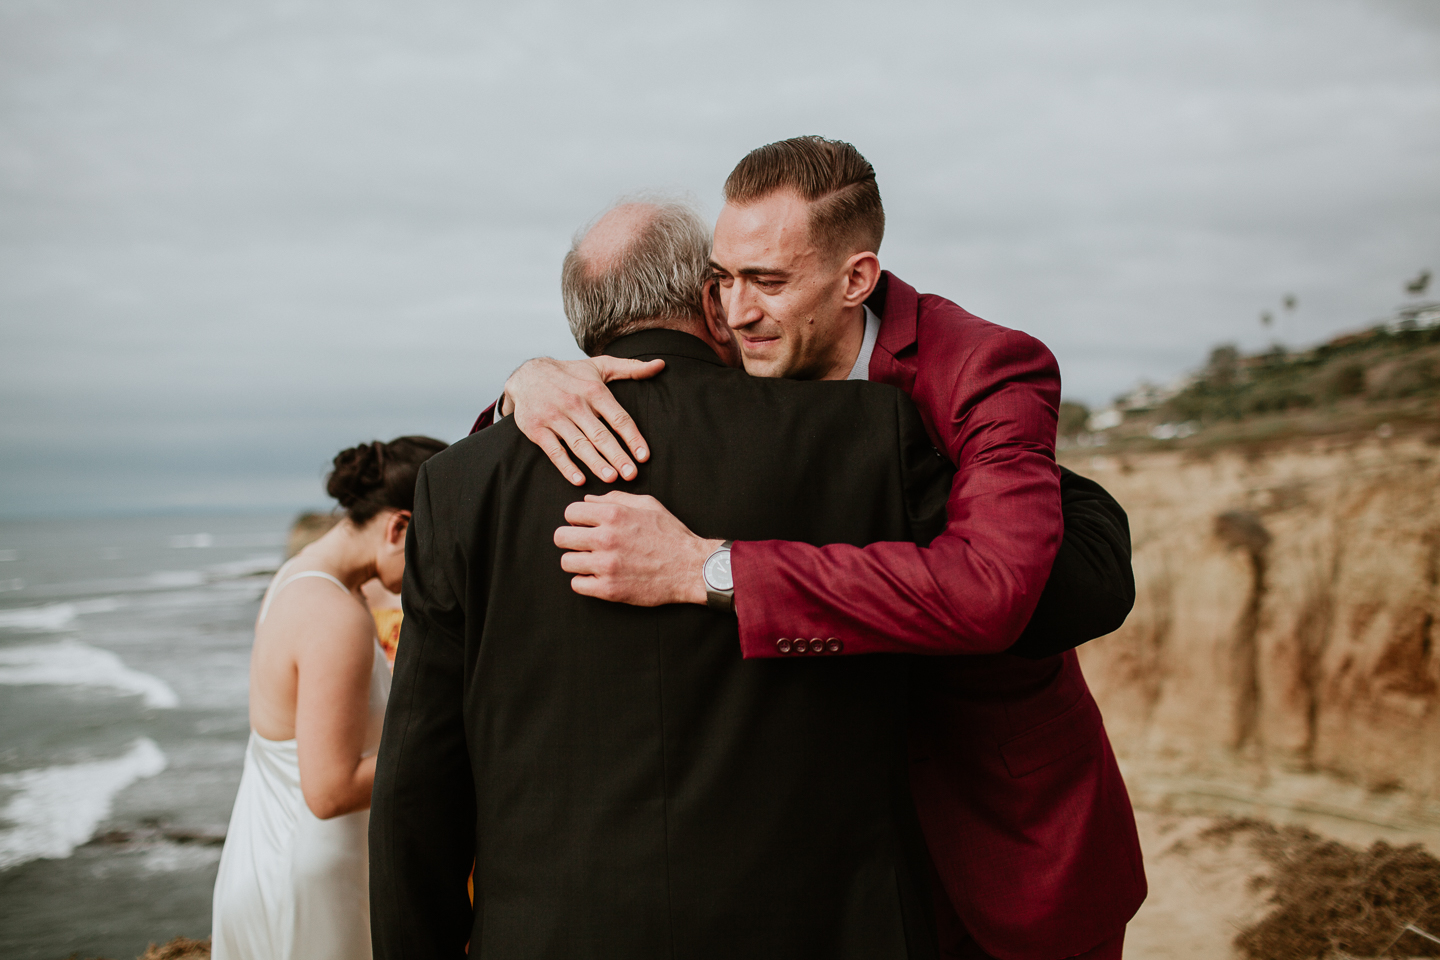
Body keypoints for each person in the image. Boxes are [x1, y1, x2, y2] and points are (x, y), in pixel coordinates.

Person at [487, 138, 1144, 959]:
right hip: (839, 859)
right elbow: (624, 411)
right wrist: (526, 382)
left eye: (767, 281)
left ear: (856, 280)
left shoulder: (981, 366)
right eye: (722, 280)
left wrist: (707, 568)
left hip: (1001, 828)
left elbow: (990, 589)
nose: (734, 311)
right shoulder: (753, 347)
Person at [369, 199, 959, 959]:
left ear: (585, 330)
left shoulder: (463, 485)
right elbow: (1041, 587)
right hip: (827, 931)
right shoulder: (862, 432)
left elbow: (418, 782)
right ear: (714, 302)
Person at [211, 435, 447, 960]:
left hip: (268, 855)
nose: (435, 567)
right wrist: (455, 739)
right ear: (398, 527)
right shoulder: (333, 615)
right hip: (311, 879)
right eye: (433, 547)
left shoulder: (299, 579)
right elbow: (330, 790)